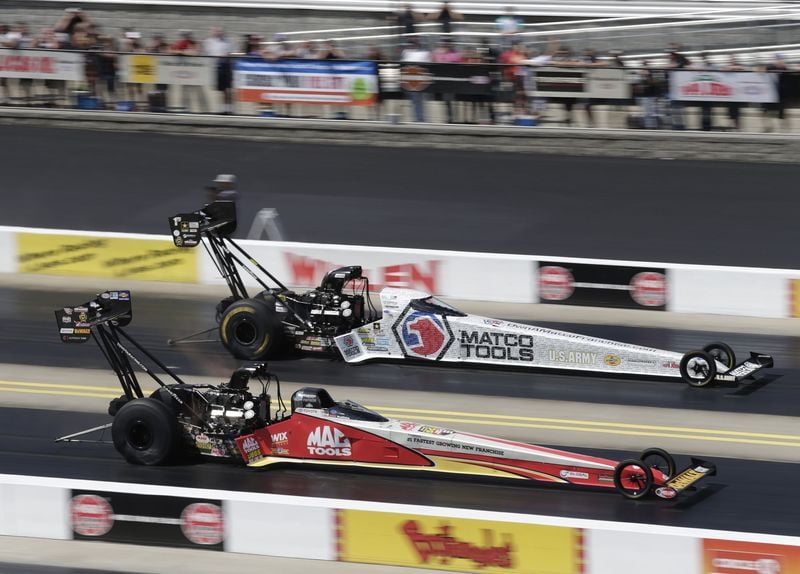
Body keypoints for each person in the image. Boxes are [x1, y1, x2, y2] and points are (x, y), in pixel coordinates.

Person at [204, 28, 234, 115]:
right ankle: (221, 109)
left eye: (220, 31)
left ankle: (229, 109)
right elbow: (209, 53)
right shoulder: (209, 41)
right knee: (220, 90)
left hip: (227, 65)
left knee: (228, 89)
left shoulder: (228, 41)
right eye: (216, 31)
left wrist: (228, 55)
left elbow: (232, 52)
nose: (218, 33)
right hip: (216, 66)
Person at [401, 38, 431, 122]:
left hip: (421, 80)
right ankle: (418, 118)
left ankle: (421, 118)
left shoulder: (424, 53)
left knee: (420, 100)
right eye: (410, 44)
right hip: (411, 80)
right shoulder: (406, 53)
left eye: (413, 44)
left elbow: (427, 64)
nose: (411, 46)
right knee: (415, 101)